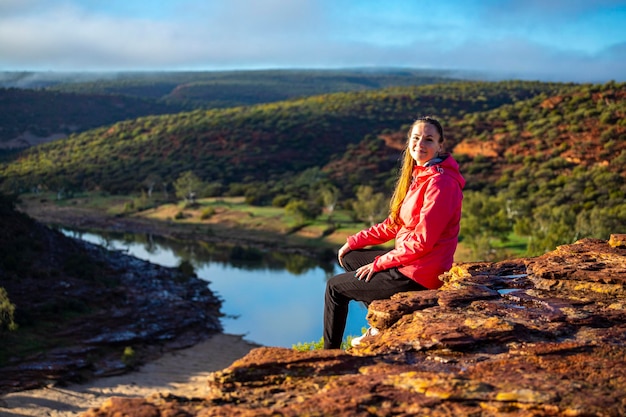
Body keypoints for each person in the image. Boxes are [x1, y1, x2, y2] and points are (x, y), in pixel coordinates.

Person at [323, 116, 465, 349]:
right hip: (411, 261)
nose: (420, 143)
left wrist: (379, 263)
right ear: (409, 141)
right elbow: (394, 224)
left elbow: (422, 242)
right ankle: (383, 320)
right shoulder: (420, 175)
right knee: (351, 258)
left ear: (441, 145)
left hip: (420, 273)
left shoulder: (441, 183)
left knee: (335, 288)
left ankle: (328, 355)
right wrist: (354, 241)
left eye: (429, 139)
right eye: (416, 137)